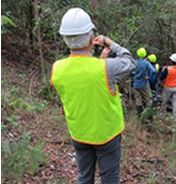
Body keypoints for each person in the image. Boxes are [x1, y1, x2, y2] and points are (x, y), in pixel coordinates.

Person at [50, 7, 136, 184]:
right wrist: (110, 43)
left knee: (84, 177)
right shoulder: (106, 68)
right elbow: (130, 62)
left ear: (66, 39)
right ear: (91, 38)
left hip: (79, 132)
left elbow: (82, 78)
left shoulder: (57, 69)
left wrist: (100, 62)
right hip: (107, 134)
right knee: (110, 179)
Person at [132, 48, 156, 116]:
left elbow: (130, 72)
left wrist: (133, 75)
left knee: (138, 99)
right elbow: (153, 71)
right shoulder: (146, 63)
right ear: (145, 54)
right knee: (148, 98)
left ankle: (139, 115)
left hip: (136, 84)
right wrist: (148, 77)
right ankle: (149, 115)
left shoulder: (134, 62)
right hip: (144, 84)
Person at [159, 53, 176, 120]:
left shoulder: (168, 69)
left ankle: (162, 116)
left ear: (171, 61)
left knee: (164, 102)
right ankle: (174, 118)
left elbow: (161, 77)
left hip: (168, 88)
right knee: (174, 104)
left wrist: (163, 70)